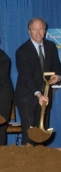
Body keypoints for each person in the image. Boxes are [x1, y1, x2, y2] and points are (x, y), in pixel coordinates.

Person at [15, 17, 61, 145]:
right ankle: (27, 162)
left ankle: (40, 163)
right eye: (35, 29)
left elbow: (57, 66)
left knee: (42, 132)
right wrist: (38, 94)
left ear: (45, 31)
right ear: (29, 31)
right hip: (27, 97)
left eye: (41, 29)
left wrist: (58, 76)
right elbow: (26, 76)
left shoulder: (51, 46)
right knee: (30, 133)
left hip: (45, 96)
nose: (38, 32)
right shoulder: (22, 51)